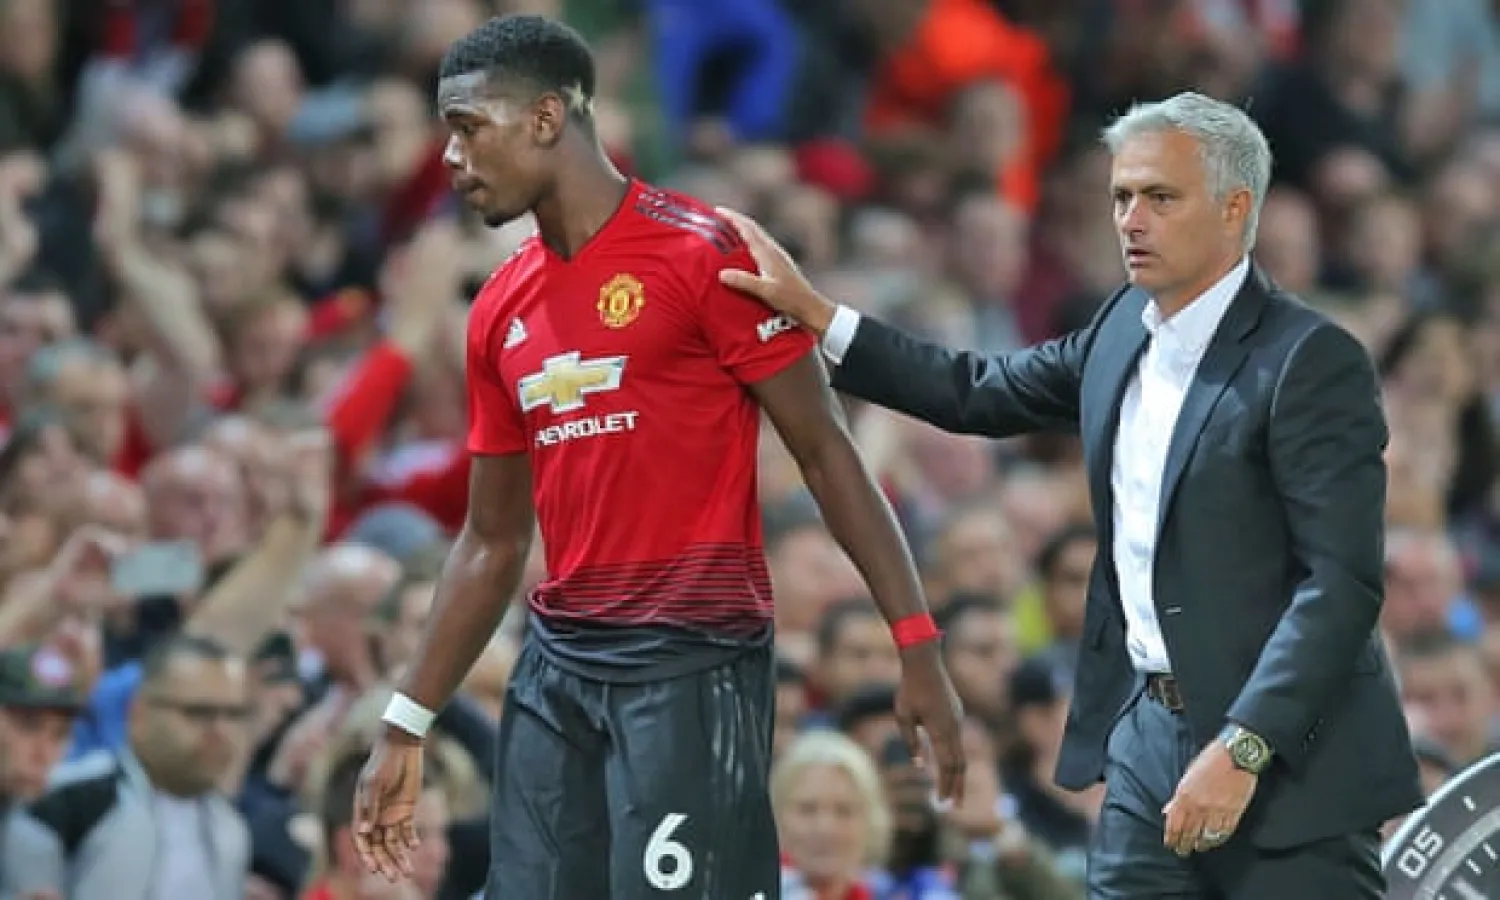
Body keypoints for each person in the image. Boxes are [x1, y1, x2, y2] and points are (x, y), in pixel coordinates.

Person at [718, 91, 1423, 898]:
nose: (1130, 219)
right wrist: (819, 316)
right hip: (1149, 737)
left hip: (1290, 758)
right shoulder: (1122, 325)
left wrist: (1244, 748)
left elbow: (1339, 585)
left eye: (1160, 197)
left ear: (1236, 210)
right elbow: (975, 390)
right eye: (1122, 195)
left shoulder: (1311, 360)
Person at [352, 14, 966, 900]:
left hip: (693, 661)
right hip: (558, 668)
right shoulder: (498, 309)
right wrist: (406, 722)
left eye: (467, 127)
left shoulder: (703, 252)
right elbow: (489, 543)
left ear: (547, 118)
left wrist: (915, 645)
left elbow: (828, 455)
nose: (449, 156)